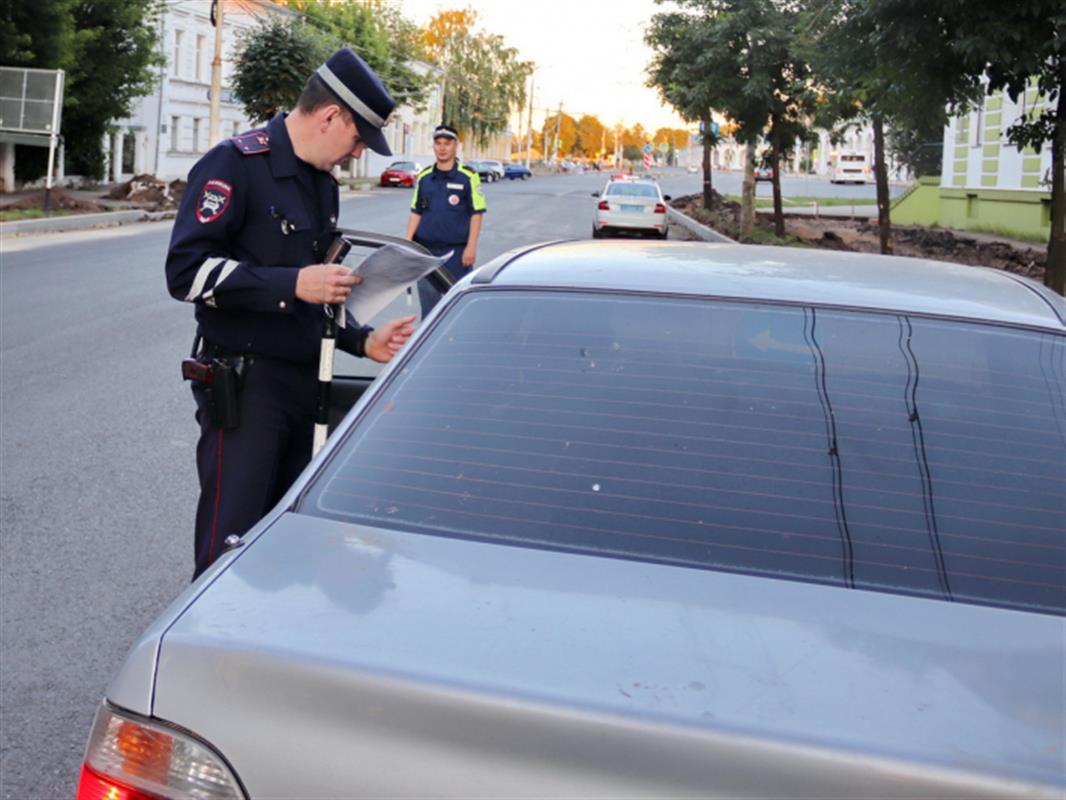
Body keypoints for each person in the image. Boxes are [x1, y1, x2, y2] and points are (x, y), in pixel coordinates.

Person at [166, 48, 415, 580]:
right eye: (356, 140)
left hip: (307, 385)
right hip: (247, 389)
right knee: (229, 548)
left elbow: (317, 288)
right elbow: (185, 273)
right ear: (331, 116)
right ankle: (209, 650)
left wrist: (362, 341)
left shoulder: (321, 183)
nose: (354, 155)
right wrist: (291, 284)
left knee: (287, 546)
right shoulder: (234, 164)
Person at [404, 124, 486, 282]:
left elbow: (476, 213)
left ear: (456, 146)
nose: (442, 148)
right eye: (438, 143)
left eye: (447, 144)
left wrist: (471, 246)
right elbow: (416, 211)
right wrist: (407, 244)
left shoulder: (468, 176)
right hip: (425, 252)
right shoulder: (424, 177)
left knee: (457, 302)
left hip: (456, 252)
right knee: (428, 303)